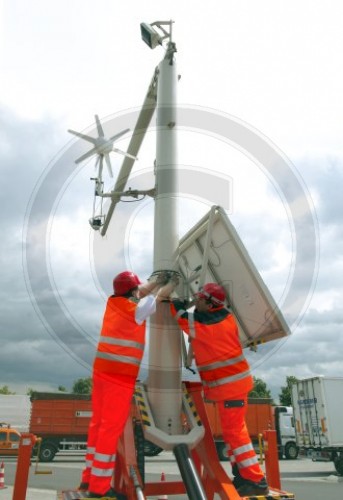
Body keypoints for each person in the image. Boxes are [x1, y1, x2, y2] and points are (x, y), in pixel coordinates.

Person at [79, 270, 176, 499]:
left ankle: (88, 479)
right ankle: (99, 488)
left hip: (102, 373)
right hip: (119, 378)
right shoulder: (135, 310)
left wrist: (154, 282)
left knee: (98, 426)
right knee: (110, 430)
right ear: (131, 292)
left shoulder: (114, 303)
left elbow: (139, 293)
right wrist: (168, 285)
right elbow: (154, 301)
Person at [170, 282, 269, 497]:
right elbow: (198, 318)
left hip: (230, 388)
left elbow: (182, 320)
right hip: (233, 387)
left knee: (236, 434)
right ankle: (242, 475)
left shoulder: (208, 326)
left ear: (209, 302)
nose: (196, 302)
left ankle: (256, 479)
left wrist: (175, 304)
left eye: (200, 299)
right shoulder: (225, 317)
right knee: (232, 434)